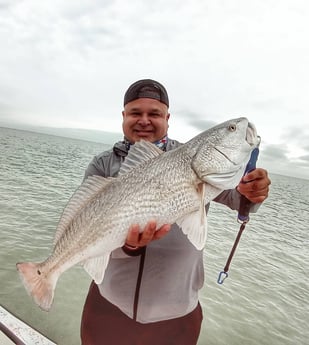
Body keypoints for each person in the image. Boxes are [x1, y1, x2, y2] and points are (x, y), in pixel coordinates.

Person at [80, 79, 271, 345]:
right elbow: (87, 228)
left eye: (154, 114)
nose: (144, 120)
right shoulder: (102, 164)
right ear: (124, 116)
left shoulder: (196, 159)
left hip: (177, 318)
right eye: (136, 113)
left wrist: (254, 191)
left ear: (167, 118)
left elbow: (239, 199)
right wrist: (128, 247)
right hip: (108, 306)